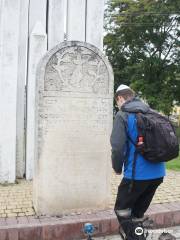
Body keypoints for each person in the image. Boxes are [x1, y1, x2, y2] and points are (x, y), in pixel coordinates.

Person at [110, 84, 166, 240]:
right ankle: (137, 236)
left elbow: (117, 147)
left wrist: (116, 167)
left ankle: (135, 238)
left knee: (122, 209)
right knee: (137, 213)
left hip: (136, 176)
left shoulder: (123, 115)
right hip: (158, 174)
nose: (118, 105)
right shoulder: (151, 112)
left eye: (117, 102)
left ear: (120, 98)